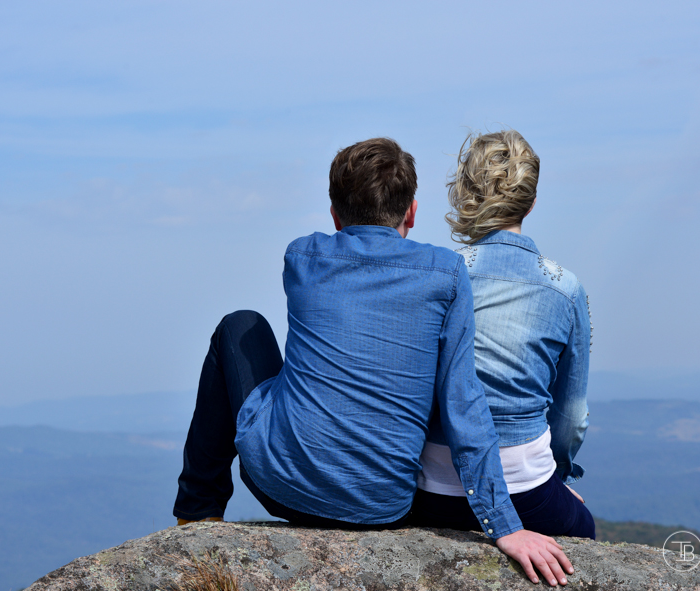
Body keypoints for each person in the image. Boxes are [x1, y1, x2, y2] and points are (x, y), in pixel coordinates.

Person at [173, 137, 575, 586]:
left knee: (241, 325)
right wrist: (505, 525)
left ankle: (197, 513)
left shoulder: (301, 257)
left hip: (281, 486)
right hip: (382, 508)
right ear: (412, 213)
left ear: (334, 214)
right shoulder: (445, 273)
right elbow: (463, 404)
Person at [410, 130, 595, 539]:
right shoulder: (565, 288)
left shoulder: (436, 273)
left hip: (433, 488)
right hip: (525, 489)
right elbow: (572, 418)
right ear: (531, 201)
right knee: (583, 530)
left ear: (465, 194)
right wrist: (556, 477)